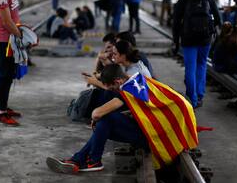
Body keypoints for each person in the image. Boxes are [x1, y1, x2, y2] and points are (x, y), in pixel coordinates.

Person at [46, 64, 197, 174]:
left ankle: (88, 160)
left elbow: (96, 113)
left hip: (156, 137)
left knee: (105, 119)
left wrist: (95, 118)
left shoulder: (127, 90)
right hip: (162, 131)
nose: (113, 91)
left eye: (112, 88)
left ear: (118, 81)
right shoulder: (139, 80)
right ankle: (83, 160)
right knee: (106, 120)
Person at [173, 0, 221, 108]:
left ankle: (192, 99)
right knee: (201, 65)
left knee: (190, 68)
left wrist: (176, 41)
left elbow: (176, 21)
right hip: (205, 39)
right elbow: (218, 18)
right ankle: (200, 95)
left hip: (188, 39)